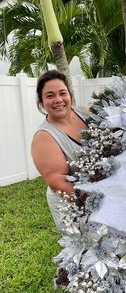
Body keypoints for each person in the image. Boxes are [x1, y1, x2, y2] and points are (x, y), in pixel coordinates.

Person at [31, 70, 89, 225]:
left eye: (62, 93)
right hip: (71, 201)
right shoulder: (44, 138)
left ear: (70, 95)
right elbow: (58, 181)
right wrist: (98, 204)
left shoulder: (86, 113)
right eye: (50, 96)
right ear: (42, 102)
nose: (58, 100)